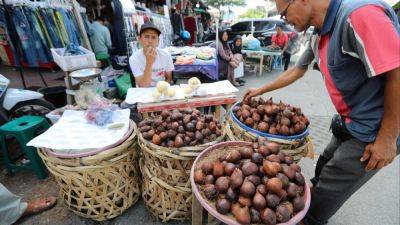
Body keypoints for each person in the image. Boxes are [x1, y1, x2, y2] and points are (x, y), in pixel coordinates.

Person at [244, 0, 399, 224]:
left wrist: (388, 138)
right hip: (350, 121)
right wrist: (260, 89)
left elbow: (397, 73)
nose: (285, 21)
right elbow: (296, 71)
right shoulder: (319, 32)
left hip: (375, 129)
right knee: (322, 168)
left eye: (284, 14)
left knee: (323, 198)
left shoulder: (359, 15)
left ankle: (312, 217)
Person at [129, 22, 174, 87]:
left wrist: (162, 89)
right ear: (139, 39)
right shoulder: (134, 59)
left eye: (153, 37)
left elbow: (168, 79)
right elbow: (143, 86)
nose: (150, 41)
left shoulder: (166, 55)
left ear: (158, 41)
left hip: (162, 90)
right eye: (146, 36)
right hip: (143, 92)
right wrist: (149, 62)